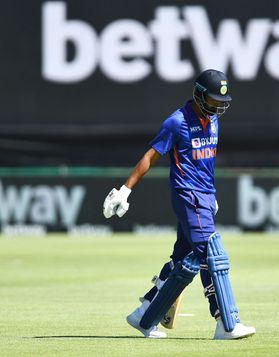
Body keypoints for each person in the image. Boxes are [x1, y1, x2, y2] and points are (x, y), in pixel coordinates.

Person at [102, 69, 256, 340]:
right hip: (188, 197)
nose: (217, 107)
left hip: (204, 197)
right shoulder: (177, 122)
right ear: (197, 95)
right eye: (212, 101)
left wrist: (212, 196)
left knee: (185, 261)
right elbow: (151, 156)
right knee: (212, 254)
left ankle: (145, 315)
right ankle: (226, 322)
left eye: (221, 103)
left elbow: (204, 162)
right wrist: (124, 190)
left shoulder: (212, 121)